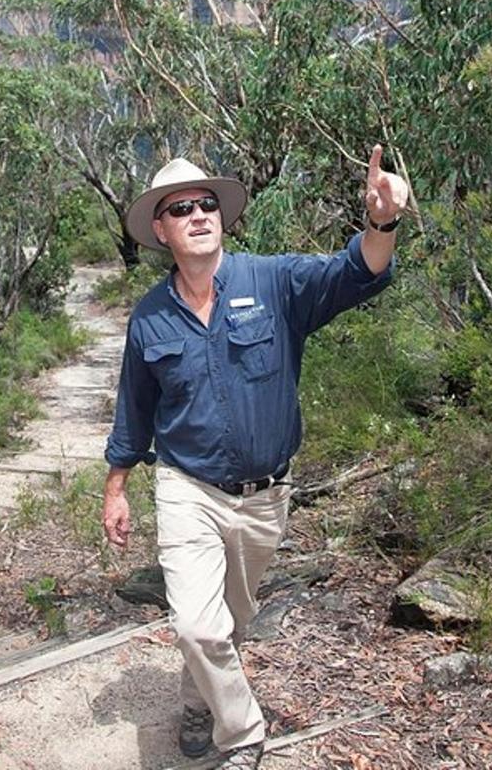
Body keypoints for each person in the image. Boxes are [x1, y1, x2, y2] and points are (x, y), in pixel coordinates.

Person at [102, 147, 407, 768]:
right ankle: (243, 736)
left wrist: (381, 223)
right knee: (196, 625)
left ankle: (198, 703)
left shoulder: (274, 281)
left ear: (223, 217)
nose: (196, 215)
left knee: (230, 623)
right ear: (160, 231)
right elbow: (134, 408)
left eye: (205, 204)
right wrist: (116, 486)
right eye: (178, 209)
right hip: (189, 488)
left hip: (266, 497)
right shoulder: (150, 319)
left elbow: (356, 273)